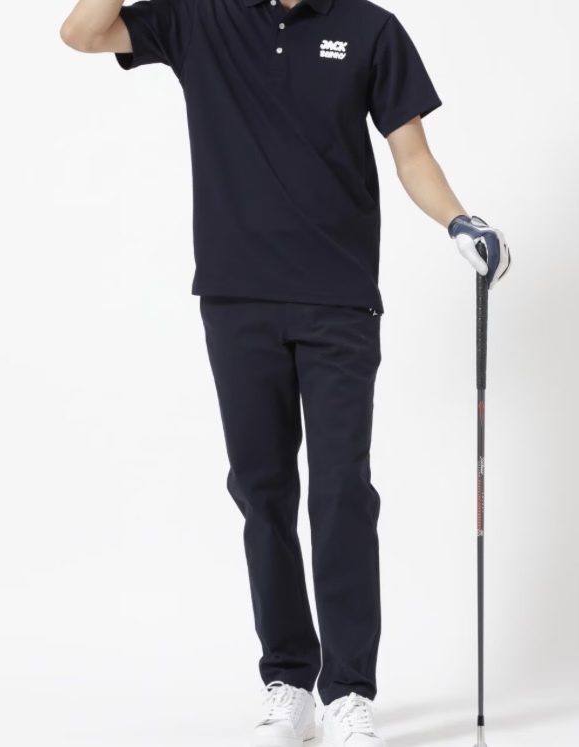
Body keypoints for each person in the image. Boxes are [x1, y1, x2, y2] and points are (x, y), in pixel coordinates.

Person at [60, 0, 511, 745]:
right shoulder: (201, 18)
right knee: (262, 493)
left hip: (339, 301)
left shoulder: (369, 29)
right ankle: (290, 682)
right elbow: (82, 33)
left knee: (341, 493)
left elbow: (411, 154)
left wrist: (460, 220)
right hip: (236, 299)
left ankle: (349, 691)